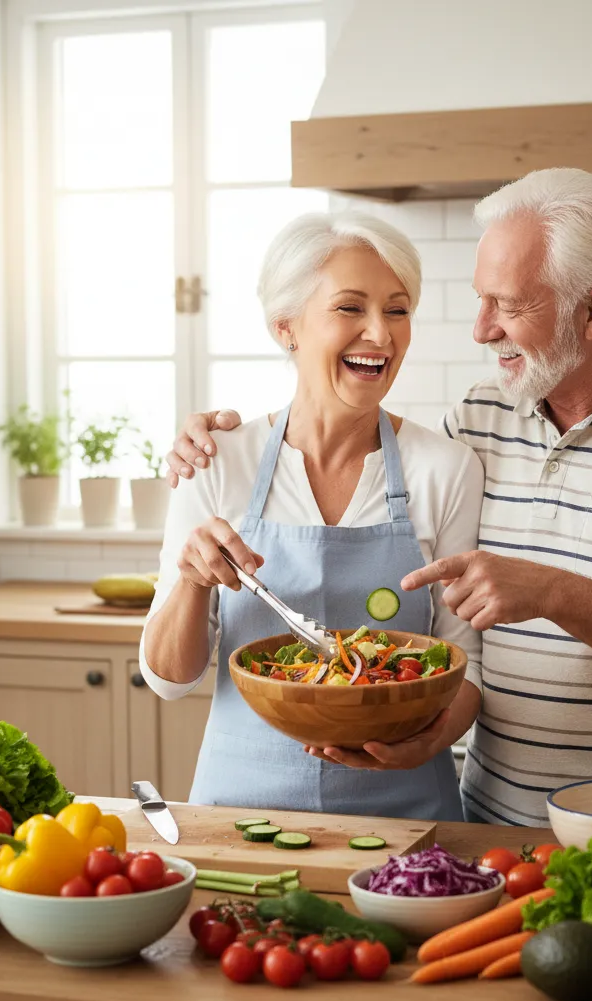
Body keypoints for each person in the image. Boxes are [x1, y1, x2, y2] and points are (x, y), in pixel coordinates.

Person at [165, 168, 592, 827]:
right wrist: (220, 441)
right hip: (493, 827)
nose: (481, 330)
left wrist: (553, 593)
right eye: (479, 300)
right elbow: (456, 633)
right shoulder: (482, 420)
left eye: (508, 306)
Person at [140, 211, 484, 821]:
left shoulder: (446, 469)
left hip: (402, 813)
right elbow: (169, 680)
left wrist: (425, 743)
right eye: (350, 308)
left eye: (397, 310)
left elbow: (466, 663)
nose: (379, 334)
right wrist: (193, 582)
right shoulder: (218, 462)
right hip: (240, 814)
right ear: (286, 328)